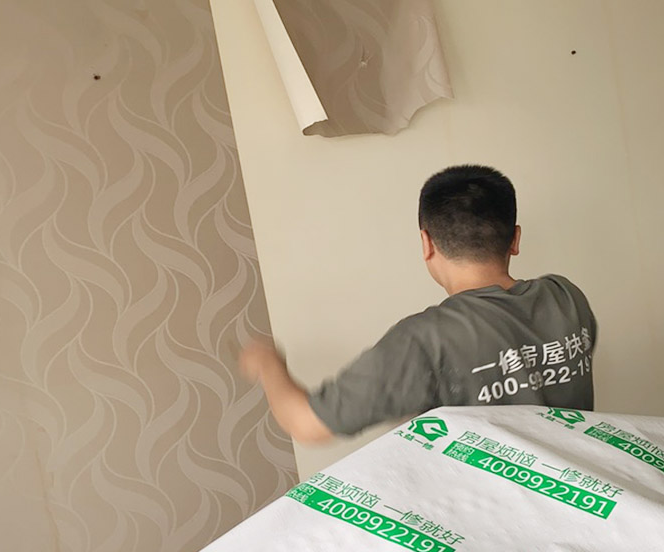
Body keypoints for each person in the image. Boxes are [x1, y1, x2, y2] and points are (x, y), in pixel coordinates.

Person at [238, 165, 597, 444]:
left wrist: (268, 363)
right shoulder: (565, 296)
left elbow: (307, 424)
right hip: (581, 501)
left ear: (427, 243)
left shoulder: (423, 341)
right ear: (515, 238)